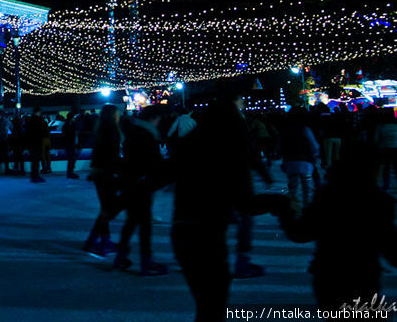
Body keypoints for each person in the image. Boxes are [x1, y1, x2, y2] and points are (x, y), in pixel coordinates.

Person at [171, 94, 289, 321]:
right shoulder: (228, 153)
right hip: (209, 236)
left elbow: (155, 178)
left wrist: (114, 206)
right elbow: (246, 202)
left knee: (205, 306)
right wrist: (280, 202)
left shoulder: (189, 147)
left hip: (182, 233)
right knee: (213, 306)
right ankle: (242, 261)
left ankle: (242, 260)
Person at [278, 142, 397, 310]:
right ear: (373, 167)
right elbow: (392, 251)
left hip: (328, 277)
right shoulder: (379, 202)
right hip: (363, 278)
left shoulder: (326, 195)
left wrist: (285, 210)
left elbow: (300, 233)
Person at [113, 106, 168, 275]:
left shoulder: (133, 132)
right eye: (158, 119)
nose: (159, 123)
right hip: (142, 185)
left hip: (131, 183)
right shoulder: (147, 135)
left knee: (132, 221)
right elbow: (153, 163)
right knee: (144, 224)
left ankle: (121, 257)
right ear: (152, 119)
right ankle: (146, 261)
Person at [83, 104, 124, 256]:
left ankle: (97, 240)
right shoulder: (112, 130)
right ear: (113, 115)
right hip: (107, 173)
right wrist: (121, 169)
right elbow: (112, 155)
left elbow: (99, 154)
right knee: (109, 208)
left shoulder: (100, 130)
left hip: (99, 172)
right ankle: (100, 242)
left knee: (106, 208)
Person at [279, 109, 320, 211]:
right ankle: (307, 208)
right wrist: (314, 156)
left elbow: (279, 146)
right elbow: (314, 146)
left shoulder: (284, 130)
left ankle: (293, 209)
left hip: (290, 162)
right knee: (307, 188)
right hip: (305, 162)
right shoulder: (305, 129)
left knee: (292, 188)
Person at [374, 109, 397, 190]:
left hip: (385, 148)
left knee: (386, 168)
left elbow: (376, 139)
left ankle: (386, 184)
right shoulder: (395, 126)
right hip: (395, 147)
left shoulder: (380, 126)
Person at [26, 109, 46, 183]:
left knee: (34, 161)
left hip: (31, 143)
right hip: (36, 143)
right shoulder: (38, 120)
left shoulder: (29, 120)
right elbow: (41, 131)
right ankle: (35, 176)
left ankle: (34, 176)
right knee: (36, 161)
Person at [63, 112, 79, 178]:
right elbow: (74, 134)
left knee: (71, 158)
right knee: (71, 158)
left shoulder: (66, 124)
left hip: (68, 143)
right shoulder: (71, 124)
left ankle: (70, 172)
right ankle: (70, 173)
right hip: (70, 143)